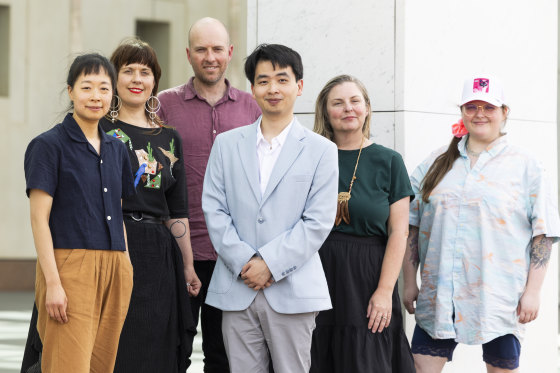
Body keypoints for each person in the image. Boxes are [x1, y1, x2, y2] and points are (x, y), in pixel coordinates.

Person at [403, 75, 560, 373]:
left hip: (500, 297)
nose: (480, 114)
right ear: (462, 112)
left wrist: (533, 292)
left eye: (488, 107)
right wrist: (410, 281)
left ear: (504, 112)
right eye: (471, 106)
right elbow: (411, 224)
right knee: (420, 369)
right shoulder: (436, 161)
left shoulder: (526, 166)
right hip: (439, 296)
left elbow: (543, 234)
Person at [201, 43, 338, 373]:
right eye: (263, 80)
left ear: (299, 86)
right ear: (252, 89)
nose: (272, 89)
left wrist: (271, 264)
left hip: (293, 289)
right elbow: (214, 209)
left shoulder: (322, 150)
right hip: (237, 286)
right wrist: (246, 262)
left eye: (282, 79)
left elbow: (318, 221)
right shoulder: (227, 144)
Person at [157, 17, 261, 372]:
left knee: (224, 356)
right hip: (177, 250)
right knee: (172, 351)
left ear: (230, 53)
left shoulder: (253, 108)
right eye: (201, 49)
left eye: (217, 49)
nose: (210, 56)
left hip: (233, 255)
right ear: (188, 54)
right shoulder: (164, 105)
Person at [23, 53, 135, 373]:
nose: (96, 96)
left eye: (103, 88)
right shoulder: (48, 146)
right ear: (70, 91)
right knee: (66, 365)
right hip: (70, 267)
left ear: (113, 94)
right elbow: (38, 219)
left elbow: (119, 209)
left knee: (102, 366)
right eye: (87, 87)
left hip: (115, 265)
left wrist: (124, 264)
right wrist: (53, 283)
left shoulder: (116, 148)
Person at [99, 37, 199, 373]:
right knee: (114, 342)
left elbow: (177, 210)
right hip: (111, 246)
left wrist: (187, 266)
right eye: (128, 71)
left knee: (154, 342)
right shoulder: (99, 129)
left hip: (158, 253)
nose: (137, 79)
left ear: (155, 80)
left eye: (145, 72)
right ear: (114, 78)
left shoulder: (169, 138)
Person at [310, 75, 416, 373]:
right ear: (326, 111)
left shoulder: (389, 161)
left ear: (367, 108)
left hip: (369, 276)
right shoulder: (310, 156)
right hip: (317, 273)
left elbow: (399, 232)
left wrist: (385, 291)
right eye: (338, 103)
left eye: (355, 101)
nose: (348, 108)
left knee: (366, 360)